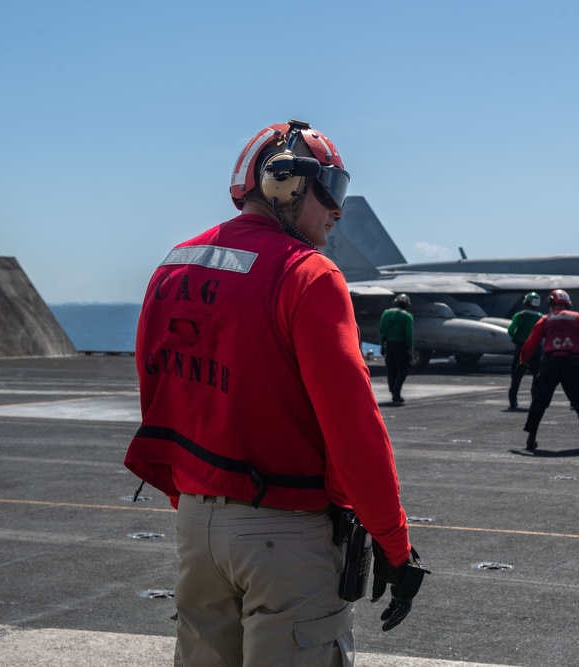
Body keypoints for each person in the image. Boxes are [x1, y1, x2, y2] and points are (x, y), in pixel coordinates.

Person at [124, 119, 427, 667]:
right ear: (283, 182)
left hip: (196, 526)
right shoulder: (308, 274)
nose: (337, 210)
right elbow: (354, 429)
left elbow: (161, 395)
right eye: (330, 189)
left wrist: (193, 500)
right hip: (285, 535)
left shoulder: (172, 265)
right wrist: (394, 543)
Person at [520, 289, 579, 451]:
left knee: (540, 401)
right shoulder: (578, 318)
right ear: (568, 303)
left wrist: (523, 360)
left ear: (551, 303)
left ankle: (531, 438)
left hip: (550, 362)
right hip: (572, 362)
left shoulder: (545, 319)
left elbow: (531, 342)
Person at [507, 292, 543, 409]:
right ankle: (535, 400)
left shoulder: (519, 315)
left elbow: (511, 331)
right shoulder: (541, 317)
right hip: (536, 349)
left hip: (521, 347)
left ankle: (513, 401)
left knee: (516, 376)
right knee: (536, 375)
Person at [380, 293, 415, 404]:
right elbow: (409, 335)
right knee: (402, 370)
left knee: (391, 369)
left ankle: (393, 390)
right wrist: (411, 349)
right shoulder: (407, 317)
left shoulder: (386, 313)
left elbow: (381, 330)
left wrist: (382, 344)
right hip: (401, 346)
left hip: (389, 344)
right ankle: (396, 393)